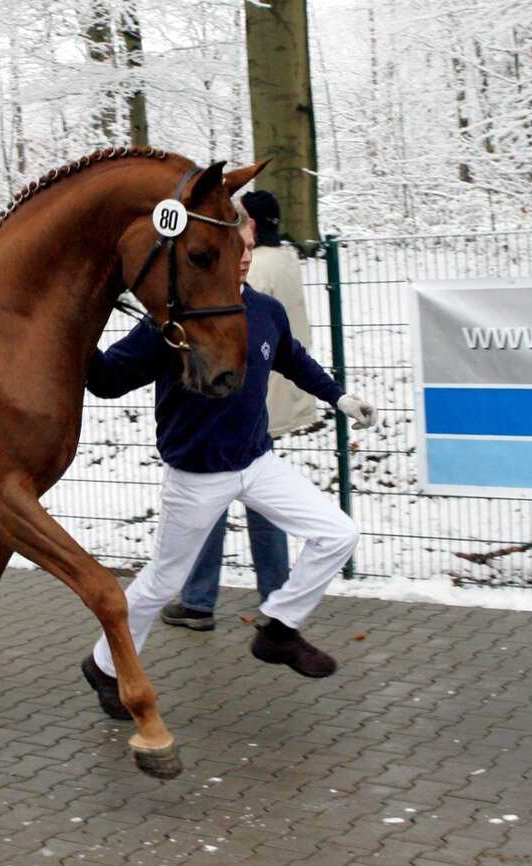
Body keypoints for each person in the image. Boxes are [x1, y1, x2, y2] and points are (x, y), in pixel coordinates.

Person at [80, 202, 377, 721]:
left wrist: (337, 397)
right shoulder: (172, 321)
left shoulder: (264, 310)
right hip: (195, 477)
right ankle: (104, 666)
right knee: (163, 584)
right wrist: (80, 322)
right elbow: (106, 380)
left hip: (257, 463)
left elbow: (292, 358)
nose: (241, 257)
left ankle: (279, 630)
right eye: (229, 248)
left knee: (338, 533)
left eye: (246, 246)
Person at [160, 190, 317, 632]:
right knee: (259, 501)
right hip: (271, 395)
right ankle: (276, 595)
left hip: (240, 394)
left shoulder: (254, 268)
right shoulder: (287, 260)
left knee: (212, 494)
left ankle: (198, 599)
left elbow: (237, 326)